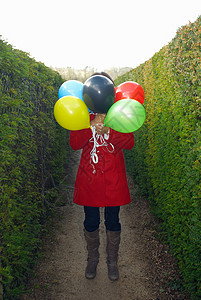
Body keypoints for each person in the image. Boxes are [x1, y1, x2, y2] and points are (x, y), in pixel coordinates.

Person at [69, 72, 134, 281]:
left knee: (113, 221)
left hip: (113, 178)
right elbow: (74, 143)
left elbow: (130, 143)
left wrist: (109, 131)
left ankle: (112, 261)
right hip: (90, 178)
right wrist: (90, 128)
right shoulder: (82, 116)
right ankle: (93, 259)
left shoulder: (119, 116)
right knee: (91, 221)